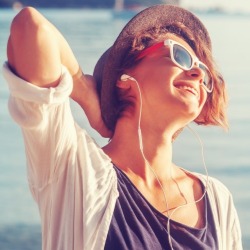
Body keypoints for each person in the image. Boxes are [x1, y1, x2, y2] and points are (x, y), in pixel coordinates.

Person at [3, 4, 242, 250]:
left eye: (204, 73)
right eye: (180, 55)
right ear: (124, 77)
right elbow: (29, 28)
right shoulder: (76, 169)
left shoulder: (215, 199)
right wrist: (85, 93)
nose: (197, 74)